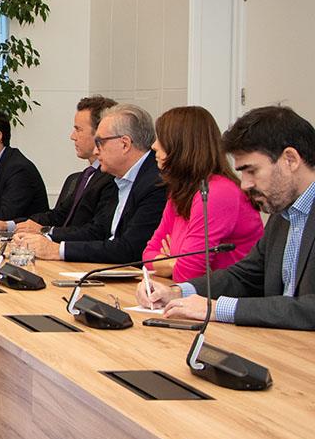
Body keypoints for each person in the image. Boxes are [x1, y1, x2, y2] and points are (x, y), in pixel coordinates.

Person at [140, 106, 315, 330]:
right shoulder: (283, 215)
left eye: (251, 171)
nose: (245, 184)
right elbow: (245, 276)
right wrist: (177, 291)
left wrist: (218, 308)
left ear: (290, 159)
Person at [18, 104, 167, 264]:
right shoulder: (120, 177)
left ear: (125, 144)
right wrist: (45, 239)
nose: (96, 151)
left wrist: (57, 250)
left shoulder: (155, 183)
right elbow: (98, 231)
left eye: (100, 143)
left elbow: (130, 249)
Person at [141, 107, 262, 281]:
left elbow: (189, 272)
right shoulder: (181, 191)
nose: (154, 145)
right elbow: (148, 255)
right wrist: (172, 263)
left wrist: (173, 261)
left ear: (183, 144)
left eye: (161, 138)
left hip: (226, 301)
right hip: (196, 296)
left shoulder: (217, 193)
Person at [10, 96, 118, 237]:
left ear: (100, 132)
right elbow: (58, 215)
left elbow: (95, 232)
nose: (72, 136)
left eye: (78, 130)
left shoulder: (112, 178)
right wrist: (9, 225)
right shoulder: (87, 174)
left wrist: (46, 232)